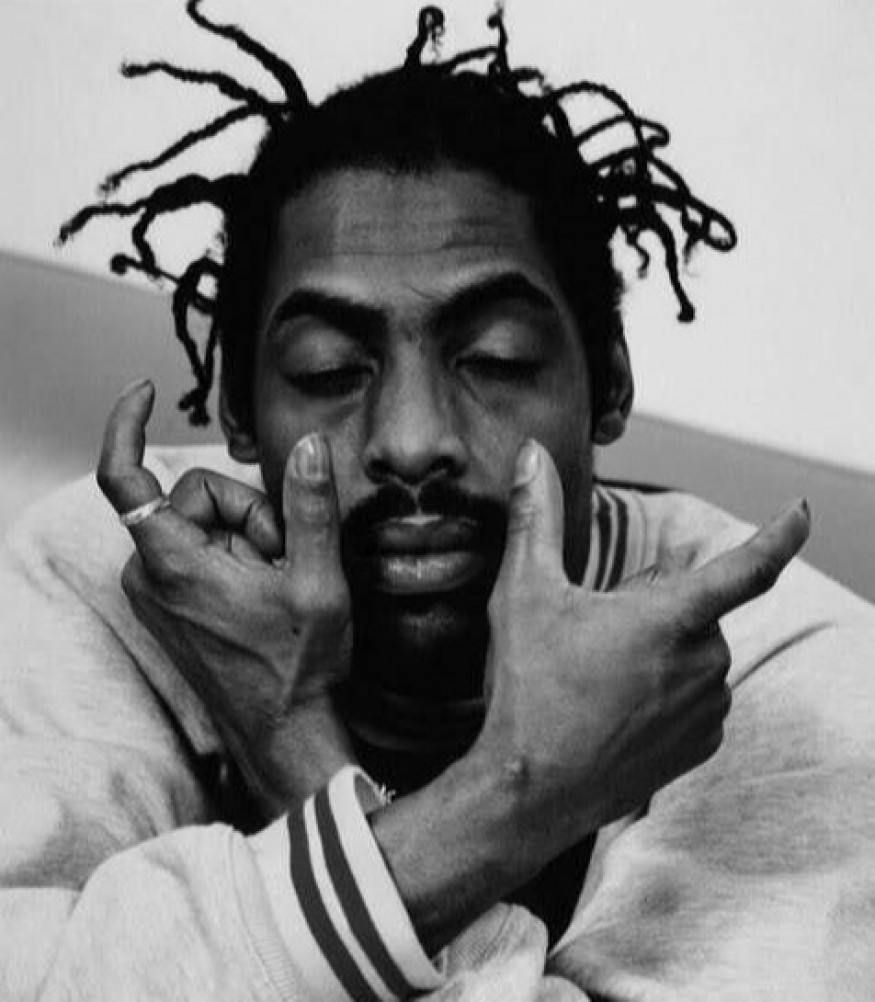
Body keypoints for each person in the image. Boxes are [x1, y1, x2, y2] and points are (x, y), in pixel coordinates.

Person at [2, 4, 874, 999]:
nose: (412, 440)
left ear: (608, 383)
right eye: (329, 369)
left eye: (494, 359)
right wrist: (515, 802)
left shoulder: (803, 682)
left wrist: (293, 749)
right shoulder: (114, 572)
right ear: (239, 409)